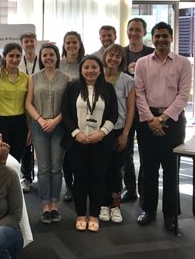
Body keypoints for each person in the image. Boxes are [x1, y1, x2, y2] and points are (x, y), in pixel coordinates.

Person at [134, 22, 192, 231]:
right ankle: (148, 210)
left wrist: (163, 118)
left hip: (173, 121)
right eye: (157, 36)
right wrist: (152, 120)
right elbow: (139, 93)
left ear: (172, 37)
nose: (161, 40)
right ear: (152, 38)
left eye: (165, 36)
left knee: (171, 170)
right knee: (148, 168)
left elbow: (183, 95)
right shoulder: (142, 62)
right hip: (147, 120)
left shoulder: (183, 63)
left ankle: (170, 214)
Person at [61, 55, 118, 232]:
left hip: (100, 142)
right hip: (77, 142)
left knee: (97, 179)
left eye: (94, 67)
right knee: (79, 180)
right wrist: (76, 133)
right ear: (81, 70)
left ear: (100, 69)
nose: (90, 71)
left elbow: (113, 115)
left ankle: (93, 215)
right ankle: (80, 214)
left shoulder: (108, 88)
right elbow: (66, 112)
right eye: (86, 67)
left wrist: (101, 133)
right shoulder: (72, 87)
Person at [25, 43, 69, 224]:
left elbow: (68, 105)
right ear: (40, 58)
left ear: (57, 56)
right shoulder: (33, 78)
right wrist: (41, 120)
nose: (48, 58)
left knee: (56, 168)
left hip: (59, 126)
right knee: (43, 168)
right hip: (39, 126)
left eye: (52, 54)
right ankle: (45, 206)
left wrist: (55, 121)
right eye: (45, 55)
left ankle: (54, 205)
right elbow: (28, 103)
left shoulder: (66, 78)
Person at [121, 17, 155, 203]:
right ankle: (130, 189)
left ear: (144, 32)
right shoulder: (121, 53)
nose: (134, 33)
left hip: (146, 110)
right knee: (126, 152)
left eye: (137, 30)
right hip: (125, 111)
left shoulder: (152, 53)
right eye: (131, 29)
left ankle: (144, 191)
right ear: (127, 31)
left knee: (145, 151)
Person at [99, 44, 134, 224]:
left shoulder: (127, 80)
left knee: (116, 171)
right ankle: (103, 204)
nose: (114, 59)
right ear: (105, 56)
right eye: (111, 55)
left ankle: (115, 205)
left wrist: (126, 133)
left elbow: (130, 109)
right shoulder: (96, 77)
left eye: (118, 57)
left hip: (118, 131)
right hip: (99, 131)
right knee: (102, 169)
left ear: (121, 60)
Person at [0, 42, 29, 162]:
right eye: (11, 56)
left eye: (18, 56)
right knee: (1, 160)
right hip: (2, 122)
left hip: (20, 123)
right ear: (4, 56)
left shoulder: (26, 78)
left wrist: (29, 128)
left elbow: (27, 106)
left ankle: (15, 181)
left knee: (17, 159)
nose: (15, 59)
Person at [59, 31, 86, 202]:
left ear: (79, 44)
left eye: (74, 42)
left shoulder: (85, 62)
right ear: (64, 45)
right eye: (68, 42)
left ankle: (82, 183)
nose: (71, 46)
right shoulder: (58, 64)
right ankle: (69, 185)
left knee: (82, 152)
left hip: (85, 113)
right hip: (64, 113)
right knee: (67, 152)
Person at [18, 32, 39, 193]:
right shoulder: (18, 62)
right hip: (22, 107)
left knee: (42, 143)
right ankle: (26, 176)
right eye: (26, 42)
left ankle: (44, 175)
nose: (29, 44)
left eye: (32, 41)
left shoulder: (43, 62)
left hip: (41, 107)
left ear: (36, 43)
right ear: (22, 44)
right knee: (26, 143)